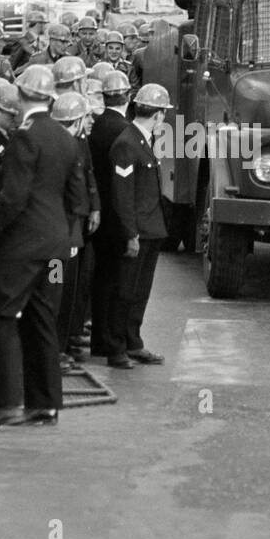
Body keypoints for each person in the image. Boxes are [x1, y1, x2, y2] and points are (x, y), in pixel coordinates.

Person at [0, 65, 87, 430]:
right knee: (42, 321)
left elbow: (14, 199)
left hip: (22, 245)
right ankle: (45, 404)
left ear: (21, 97)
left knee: (0, 316)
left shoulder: (24, 138)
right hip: (55, 245)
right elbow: (75, 198)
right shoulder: (66, 138)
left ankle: (5, 402)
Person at [104, 83, 171, 368]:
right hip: (137, 231)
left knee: (140, 290)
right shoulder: (127, 144)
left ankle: (133, 341)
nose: (164, 121)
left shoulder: (141, 141)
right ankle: (116, 347)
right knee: (124, 290)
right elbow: (122, 195)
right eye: (163, 115)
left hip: (150, 229)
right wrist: (130, 233)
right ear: (156, 115)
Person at [52, 92, 101, 367]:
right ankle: (53, 349)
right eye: (87, 117)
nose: (91, 121)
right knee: (56, 289)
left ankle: (62, 343)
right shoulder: (60, 148)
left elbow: (87, 175)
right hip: (60, 234)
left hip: (71, 231)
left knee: (66, 290)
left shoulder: (75, 144)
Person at [89, 70, 133, 360]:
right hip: (116, 216)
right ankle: (111, 340)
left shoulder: (94, 126)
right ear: (128, 96)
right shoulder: (126, 132)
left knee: (99, 279)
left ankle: (97, 337)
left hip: (95, 213)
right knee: (117, 282)